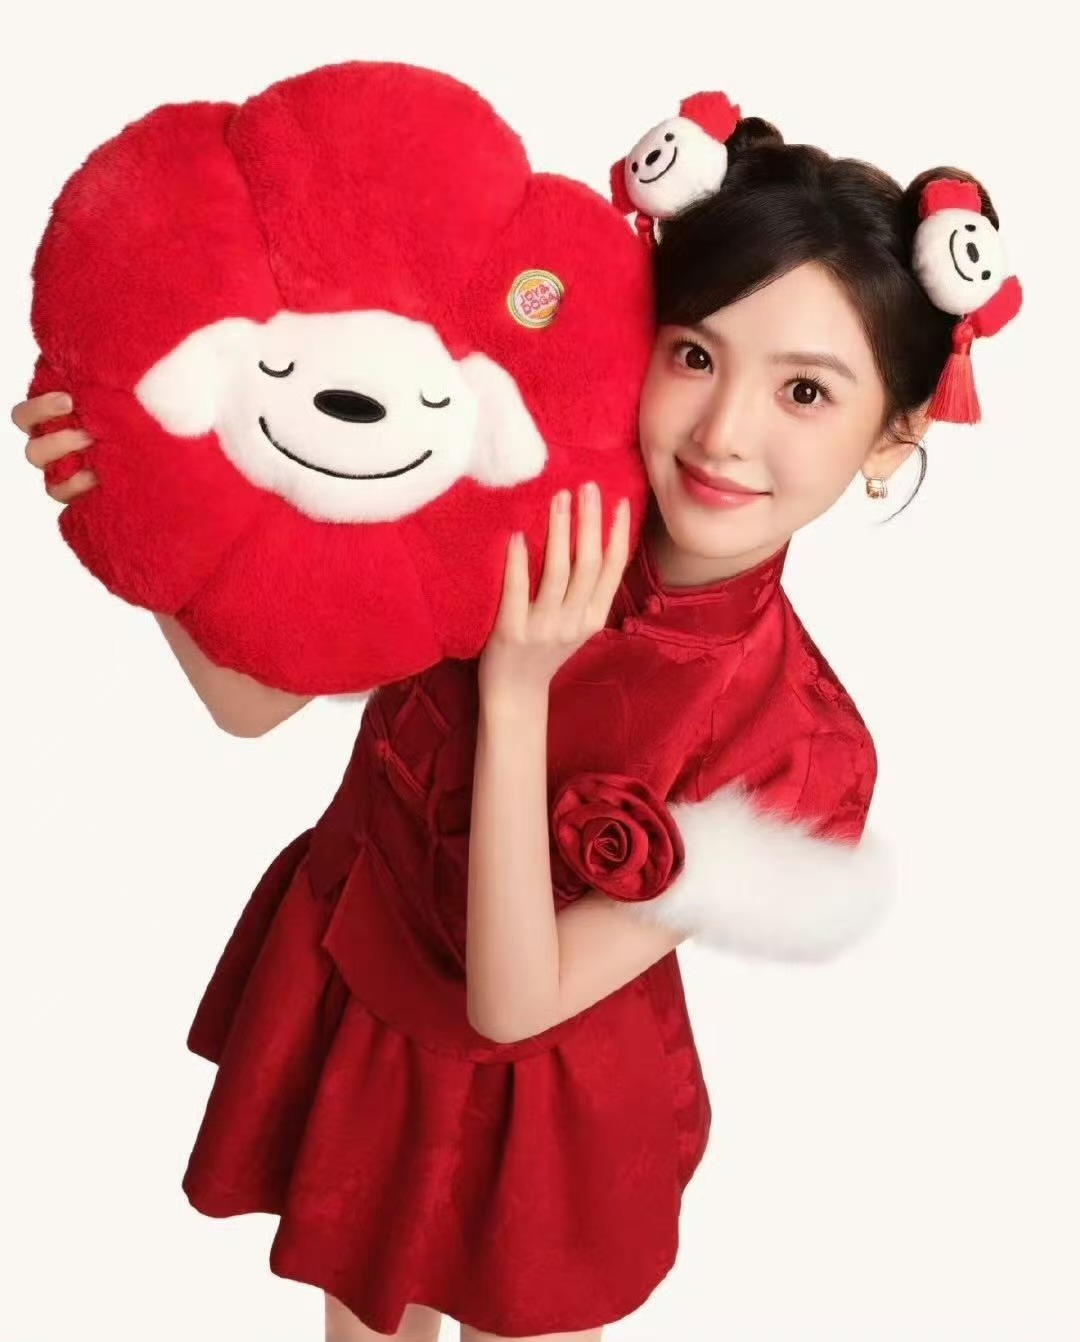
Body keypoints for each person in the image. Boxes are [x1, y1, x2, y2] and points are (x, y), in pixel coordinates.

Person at [14, 114, 1018, 1342]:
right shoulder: (504, 491)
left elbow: (512, 1003)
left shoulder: (794, 744)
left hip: (548, 1104)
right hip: (359, 989)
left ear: (895, 435)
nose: (723, 431)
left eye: (804, 390)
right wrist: (125, 501)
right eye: (693, 354)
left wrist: (514, 689)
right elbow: (248, 702)